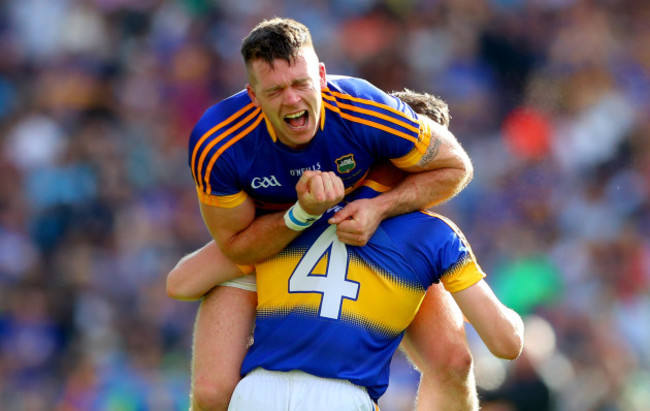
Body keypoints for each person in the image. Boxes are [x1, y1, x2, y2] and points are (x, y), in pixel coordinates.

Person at [184, 17, 475, 410]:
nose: (291, 100)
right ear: (252, 95)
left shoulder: (366, 109)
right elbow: (230, 249)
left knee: (454, 360)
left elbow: (456, 167)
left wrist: (378, 207)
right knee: (211, 391)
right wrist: (302, 214)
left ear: (321, 76)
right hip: (267, 240)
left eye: (300, 84)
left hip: (363, 228)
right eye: (275, 91)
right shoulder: (218, 140)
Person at [168, 165, 524, 410]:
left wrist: (285, 226)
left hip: (256, 393)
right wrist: (519, 323)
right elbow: (505, 343)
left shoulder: (292, 208)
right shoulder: (435, 235)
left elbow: (180, 283)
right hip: (343, 398)